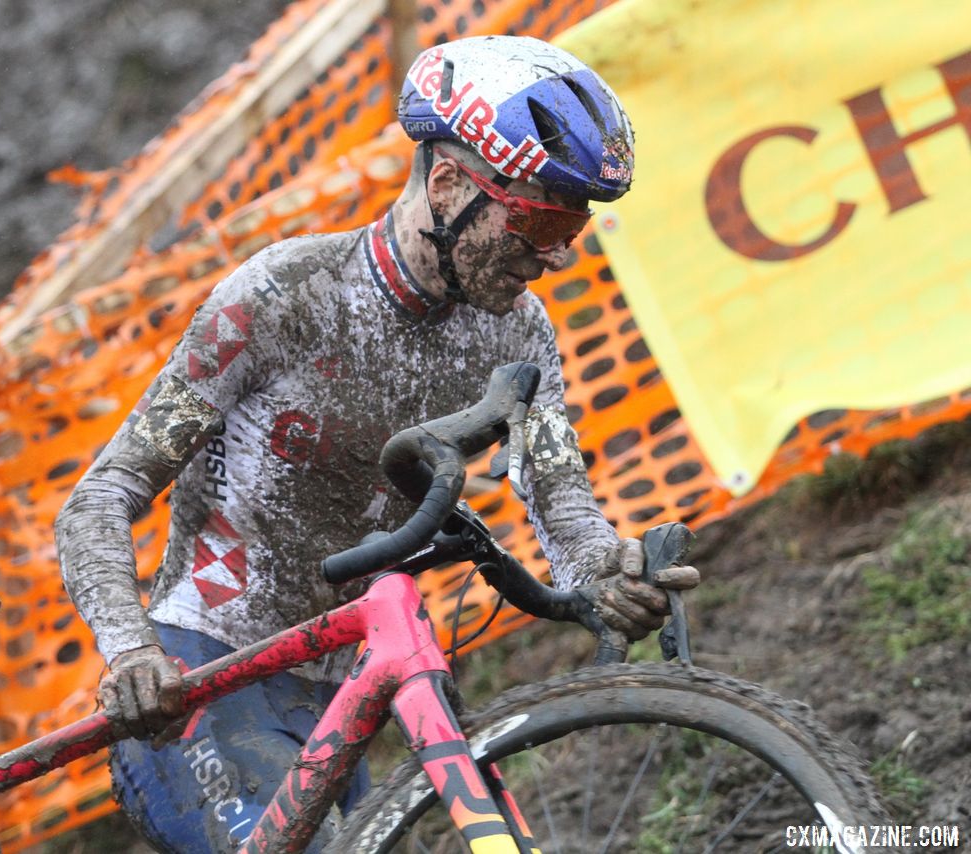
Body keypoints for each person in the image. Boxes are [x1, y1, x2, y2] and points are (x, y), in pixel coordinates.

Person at [55, 35, 699, 853]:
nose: (561, 254)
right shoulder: (280, 297)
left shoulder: (519, 336)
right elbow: (100, 498)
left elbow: (562, 507)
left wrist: (607, 572)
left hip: (350, 692)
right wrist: (129, 651)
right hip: (206, 676)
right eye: (541, 218)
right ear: (448, 183)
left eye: (577, 222)